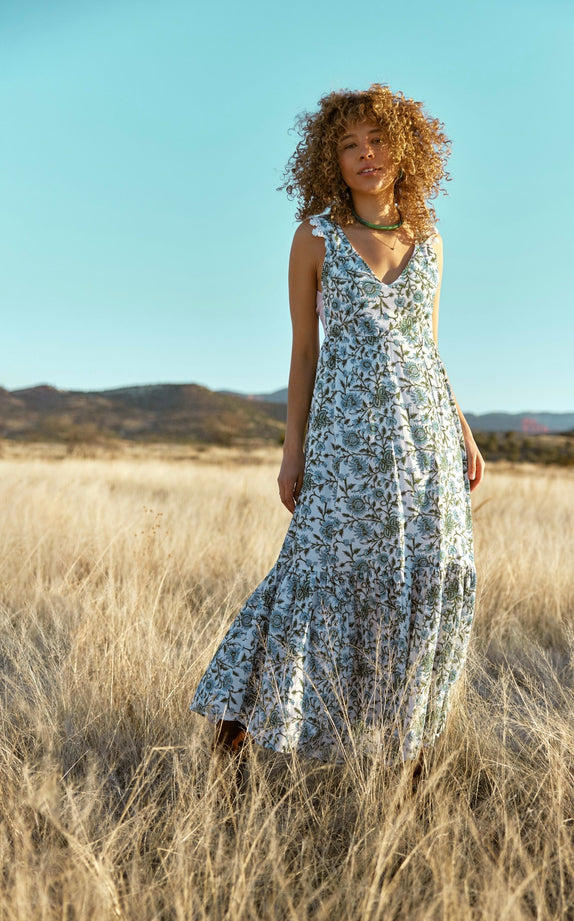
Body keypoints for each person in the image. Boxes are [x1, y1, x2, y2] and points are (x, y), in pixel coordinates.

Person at [189, 84, 484, 768]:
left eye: (376, 140)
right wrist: (291, 452)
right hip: (343, 447)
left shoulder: (430, 242)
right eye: (348, 145)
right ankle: (236, 738)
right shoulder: (315, 237)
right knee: (313, 574)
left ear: (405, 148)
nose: (365, 155)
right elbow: (303, 351)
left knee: (423, 580)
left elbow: (428, 351)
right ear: (331, 159)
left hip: (427, 445)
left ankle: (401, 760)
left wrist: (464, 433)